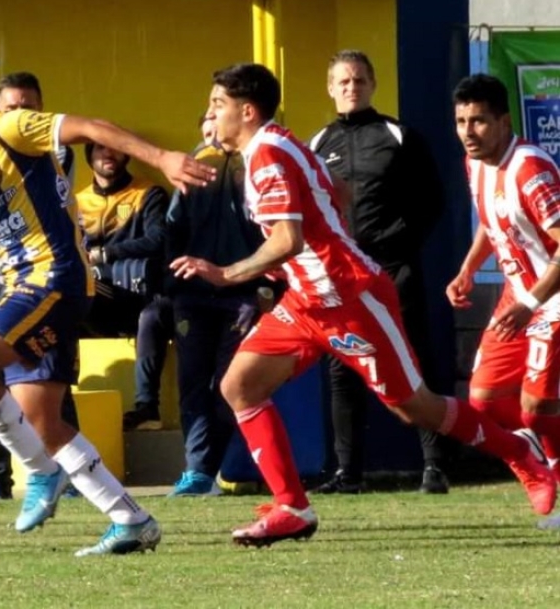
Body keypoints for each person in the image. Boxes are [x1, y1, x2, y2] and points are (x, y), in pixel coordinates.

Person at [171, 63, 555, 547]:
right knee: (240, 386)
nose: (210, 116)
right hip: (308, 301)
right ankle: (292, 507)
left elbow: (288, 238)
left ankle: (520, 454)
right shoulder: (280, 145)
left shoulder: (267, 156)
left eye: (217, 106)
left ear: (246, 111)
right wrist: (316, 243)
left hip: (350, 299)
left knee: (415, 407)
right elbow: (336, 193)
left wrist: (227, 272)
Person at [0, 54, 213, 555]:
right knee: (42, 421)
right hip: (30, 288)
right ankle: (130, 519)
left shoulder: (9, 127)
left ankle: (40, 474)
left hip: (52, 277)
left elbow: (91, 126)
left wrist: (160, 158)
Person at [309, 50, 449, 495]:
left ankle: (434, 466)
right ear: (330, 88)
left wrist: (399, 244)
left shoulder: (398, 135)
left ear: (373, 85)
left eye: (359, 81)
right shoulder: (315, 145)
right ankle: (348, 474)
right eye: (343, 82)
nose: (352, 88)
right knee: (342, 367)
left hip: (392, 269)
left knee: (412, 360)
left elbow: (432, 200)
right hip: (341, 276)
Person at [0, 71, 82, 501]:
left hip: (39, 280)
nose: (19, 116)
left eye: (29, 108)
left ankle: (66, 471)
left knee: (50, 373)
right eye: (11, 107)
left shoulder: (50, 151)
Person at [447, 74, 560, 498]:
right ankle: (536, 459)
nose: (467, 132)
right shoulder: (475, 163)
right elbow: (494, 222)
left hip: (551, 298)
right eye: (461, 121)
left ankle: (551, 472)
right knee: (485, 400)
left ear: (505, 122)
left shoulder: (529, 169)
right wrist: (467, 269)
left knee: (534, 409)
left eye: (478, 121)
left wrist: (532, 301)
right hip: (520, 295)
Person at [164, 119, 267, 496]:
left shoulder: (257, 160)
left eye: (218, 115)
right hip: (192, 294)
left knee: (230, 383)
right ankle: (197, 470)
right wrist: (172, 282)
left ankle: (220, 467)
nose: (212, 129)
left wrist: (265, 284)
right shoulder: (194, 163)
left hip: (242, 293)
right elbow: (172, 225)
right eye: (206, 121)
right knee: (193, 381)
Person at [77, 142, 174, 438]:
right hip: (100, 302)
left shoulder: (149, 193)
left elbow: (159, 240)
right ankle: (61, 399)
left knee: (153, 315)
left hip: (143, 296)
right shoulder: (76, 201)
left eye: (114, 149)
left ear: (126, 154)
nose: (108, 154)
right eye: (99, 150)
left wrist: (106, 254)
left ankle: (147, 408)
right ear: (89, 156)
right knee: (67, 295)